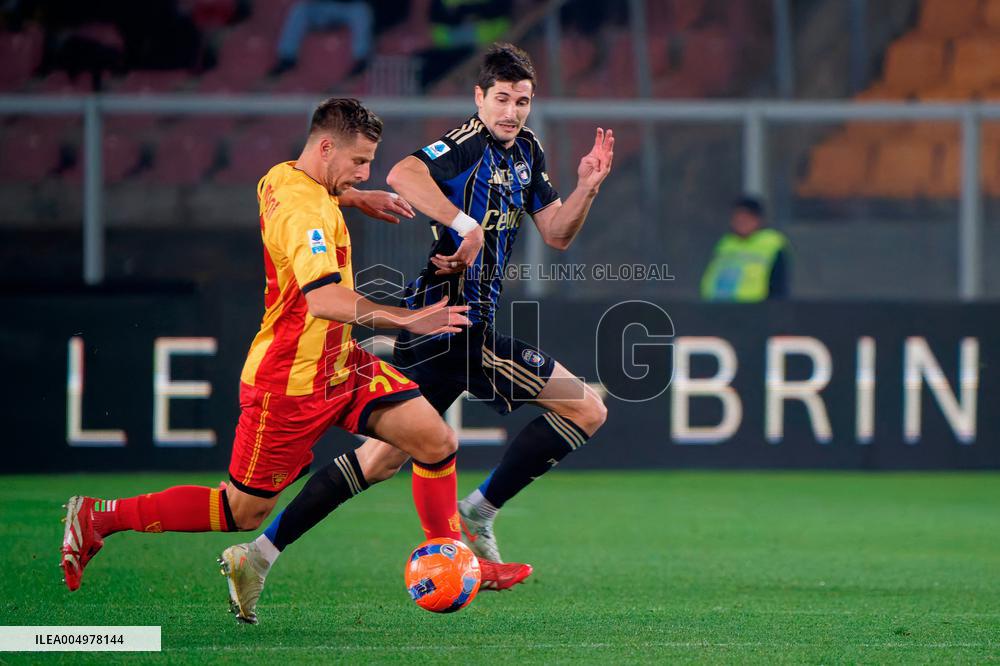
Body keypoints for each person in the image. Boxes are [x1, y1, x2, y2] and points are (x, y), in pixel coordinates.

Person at [230, 43, 613, 619]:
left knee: (380, 460)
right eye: (502, 99)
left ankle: (258, 554)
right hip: (447, 326)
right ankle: (475, 520)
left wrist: (588, 186)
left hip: (461, 328)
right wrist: (462, 223)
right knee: (586, 409)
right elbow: (403, 171)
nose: (512, 111)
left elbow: (556, 233)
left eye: (523, 101)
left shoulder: (527, 151)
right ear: (480, 98)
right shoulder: (466, 143)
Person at [59, 98, 477, 624]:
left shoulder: (282, 177)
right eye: (359, 162)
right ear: (326, 148)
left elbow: (301, 195)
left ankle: (447, 557)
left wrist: (353, 194)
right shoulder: (308, 214)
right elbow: (324, 300)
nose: (367, 171)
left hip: (340, 363)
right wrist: (407, 319)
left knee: (436, 441)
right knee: (241, 510)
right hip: (290, 383)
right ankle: (100, 518)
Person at [700, 195, 790, 302]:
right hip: (717, 308)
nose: (741, 222)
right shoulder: (726, 243)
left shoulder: (771, 243)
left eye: (746, 218)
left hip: (754, 310)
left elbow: (779, 284)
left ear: (757, 219)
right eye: (737, 217)